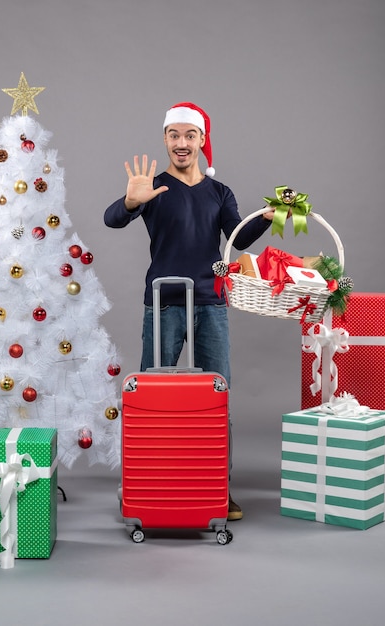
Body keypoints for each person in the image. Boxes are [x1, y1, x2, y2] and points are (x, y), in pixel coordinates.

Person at [104, 102, 277, 521]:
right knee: (150, 397)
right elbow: (112, 220)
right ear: (165, 139)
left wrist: (268, 216)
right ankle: (144, 484)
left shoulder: (220, 193)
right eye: (174, 135)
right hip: (163, 304)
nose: (182, 143)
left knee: (218, 398)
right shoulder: (153, 187)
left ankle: (219, 487)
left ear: (201, 140)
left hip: (210, 304)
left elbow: (239, 237)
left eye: (189, 136)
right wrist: (130, 203)